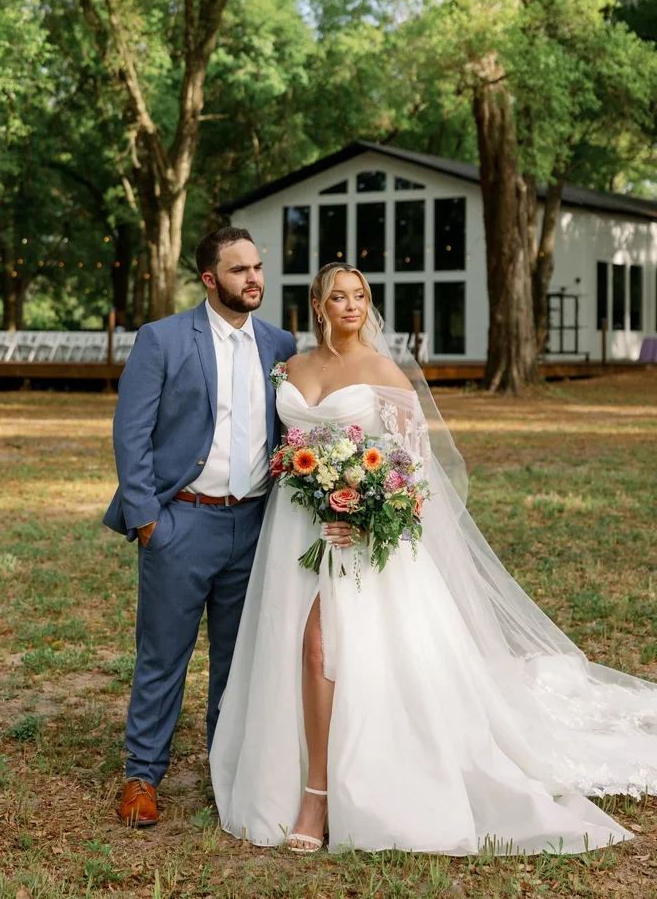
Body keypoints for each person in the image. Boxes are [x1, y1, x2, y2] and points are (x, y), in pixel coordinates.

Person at [210, 261, 657, 856]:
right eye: (339, 297)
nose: (351, 306)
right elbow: (287, 448)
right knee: (288, 642)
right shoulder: (291, 368)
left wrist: (360, 510)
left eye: (360, 296)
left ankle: (318, 795)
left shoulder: (383, 371)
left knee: (321, 646)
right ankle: (285, 772)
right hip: (294, 533)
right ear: (318, 306)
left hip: (361, 540)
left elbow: (412, 470)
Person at [103, 228, 296, 827]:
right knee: (163, 655)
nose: (254, 279)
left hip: (256, 525)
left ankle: (227, 769)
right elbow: (131, 432)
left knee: (239, 660)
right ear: (211, 279)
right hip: (181, 521)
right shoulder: (162, 340)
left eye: (258, 267)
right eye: (240, 270)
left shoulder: (280, 344)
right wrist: (148, 523)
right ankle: (142, 776)